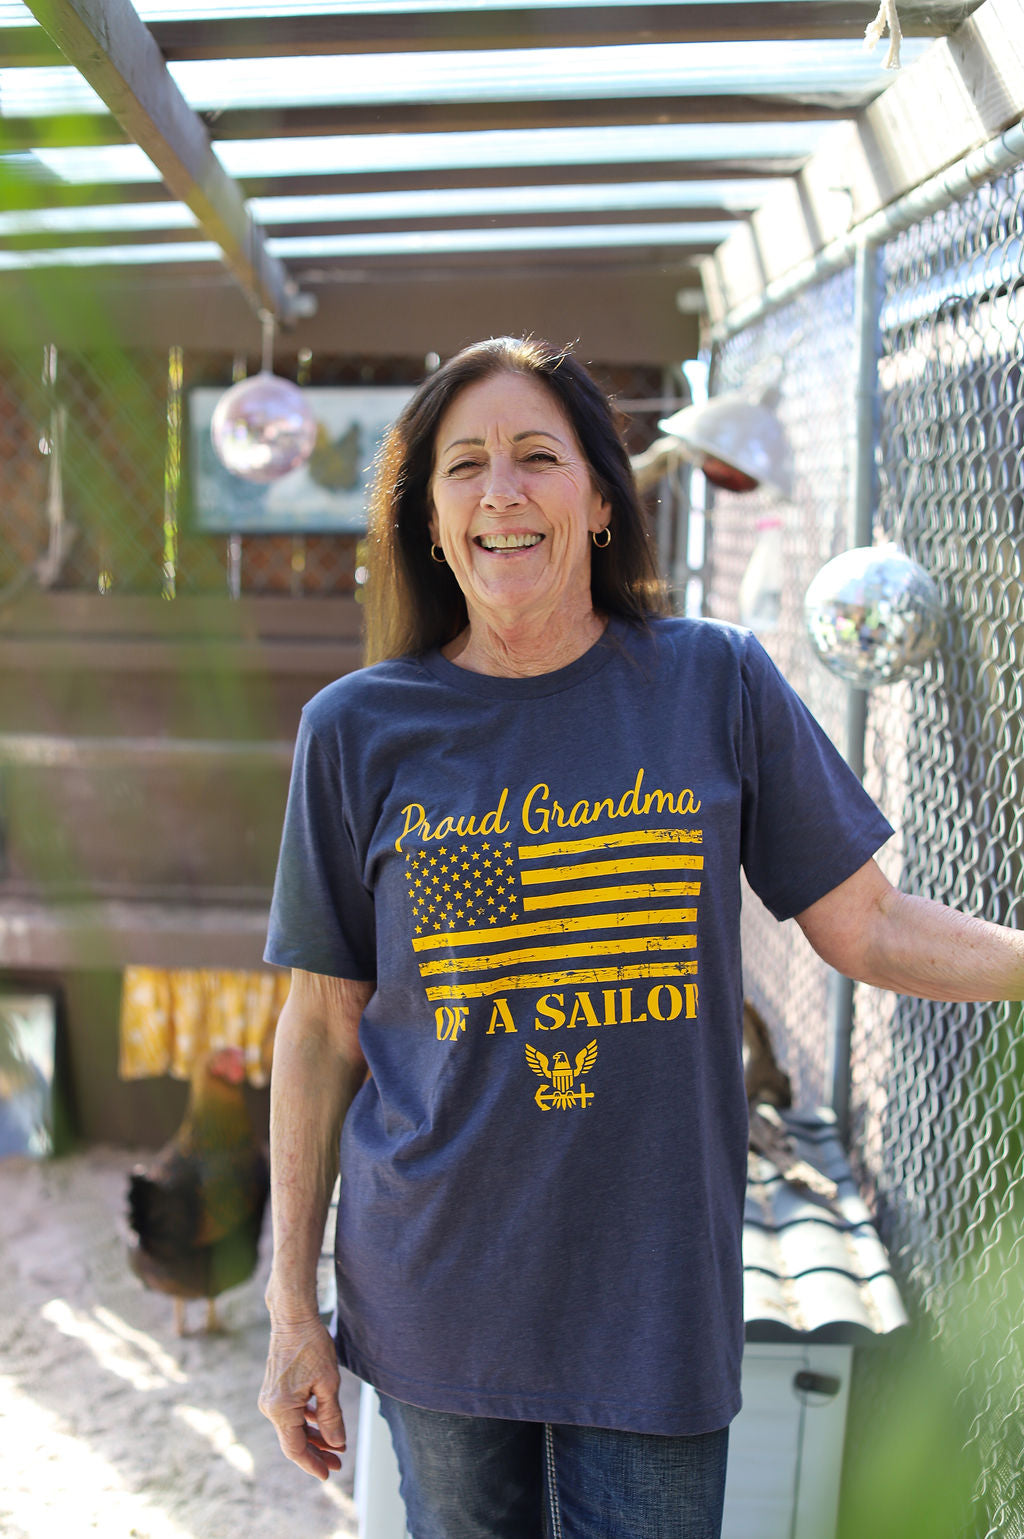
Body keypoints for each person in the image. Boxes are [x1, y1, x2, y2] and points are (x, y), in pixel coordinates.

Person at [258, 336, 1024, 1539]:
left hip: (650, 1292)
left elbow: (866, 927)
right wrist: (289, 1304)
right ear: (430, 516)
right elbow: (319, 1030)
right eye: (464, 467)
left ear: (602, 501)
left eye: (535, 458)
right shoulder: (357, 731)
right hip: (436, 1282)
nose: (500, 494)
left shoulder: (710, 682)